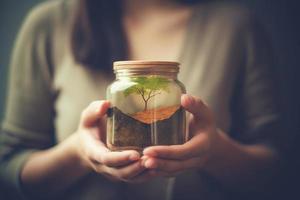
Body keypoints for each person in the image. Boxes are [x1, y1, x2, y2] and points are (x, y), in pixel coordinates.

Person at [0, 0, 284, 199]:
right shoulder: (48, 24)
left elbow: (275, 175)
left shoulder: (236, 26)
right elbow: (9, 167)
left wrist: (216, 151)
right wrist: (78, 153)